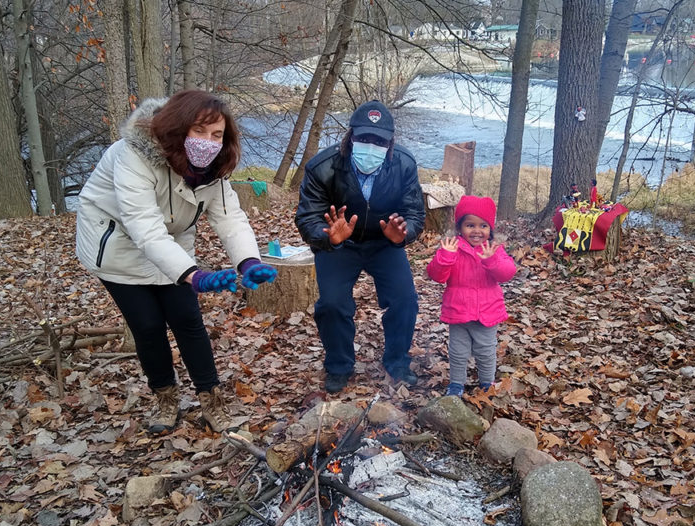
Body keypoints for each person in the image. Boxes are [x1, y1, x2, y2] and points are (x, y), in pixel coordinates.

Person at [75, 90, 277, 435]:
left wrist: (248, 262)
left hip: (172, 239)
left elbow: (230, 219)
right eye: (200, 131)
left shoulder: (214, 168)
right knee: (148, 326)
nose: (208, 142)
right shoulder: (133, 155)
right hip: (117, 245)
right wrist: (194, 275)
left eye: (217, 135)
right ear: (179, 127)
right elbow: (145, 230)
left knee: (187, 318)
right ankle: (165, 398)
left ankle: (211, 398)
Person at [295, 100, 425, 393]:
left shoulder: (404, 164)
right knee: (331, 304)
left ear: (389, 143)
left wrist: (403, 234)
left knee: (405, 300)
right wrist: (328, 235)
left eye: (378, 140)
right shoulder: (322, 166)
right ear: (350, 136)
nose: (370, 145)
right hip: (341, 244)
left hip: (383, 242)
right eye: (364, 138)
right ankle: (339, 366)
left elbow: (415, 214)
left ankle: (397, 363)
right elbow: (307, 217)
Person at [426, 196, 516, 397]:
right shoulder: (452, 247)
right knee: (457, 353)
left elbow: (507, 273)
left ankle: (486, 383)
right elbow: (436, 276)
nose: (476, 231)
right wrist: (446, 257)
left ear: (490, 229)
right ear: (460, 228)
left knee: (486, 352)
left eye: (483, 225)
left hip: (487, 313)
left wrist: (491, 260)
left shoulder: (494, 249)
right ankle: (456, 384)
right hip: (458, 312)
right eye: (470, 225)